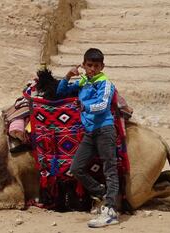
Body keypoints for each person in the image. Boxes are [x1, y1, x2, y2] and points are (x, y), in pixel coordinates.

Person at [56, 48, 120, 228]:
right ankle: (101, 192)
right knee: (76, 168)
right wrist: (68, 76)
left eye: (96, 66)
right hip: (90, 132)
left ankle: (111, 211)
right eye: (89, 65)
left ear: (102, 67)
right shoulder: (83, 81)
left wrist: (84, 107)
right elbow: (61, 92)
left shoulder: (106, 83)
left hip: (104, 129)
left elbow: (102, 105)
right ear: (83, 65)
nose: (92, 69)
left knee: (110, 168)